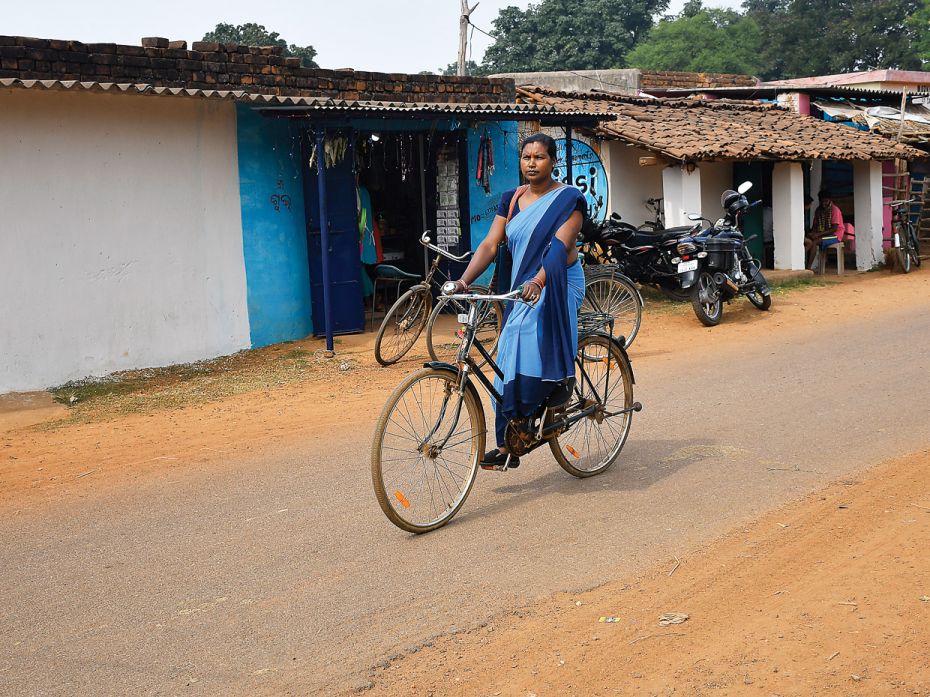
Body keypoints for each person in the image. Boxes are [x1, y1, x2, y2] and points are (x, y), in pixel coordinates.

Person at [449, 133, 587, 470]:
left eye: (539, 157)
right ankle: (511, 439)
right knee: (506, 351)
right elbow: (489, 245)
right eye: (526, 157)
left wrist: (538, 282)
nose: (532, 163)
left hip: (557, 281)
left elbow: (559, 248)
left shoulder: (569, 199)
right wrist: (463, 281)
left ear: (553, 161)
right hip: (522, 286)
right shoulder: (511, 200)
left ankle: (549, 392)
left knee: (522, 332)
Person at [805, 191, 845, 268]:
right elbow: (815, 225)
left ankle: (808, 267)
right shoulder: (818, 210)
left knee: (815, 242)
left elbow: (834, 229)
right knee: (809, 240)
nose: (823, 203)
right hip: (823, 234)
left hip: (835, 235)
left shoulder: (835, 210)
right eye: (821, 201)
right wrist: (812, 233)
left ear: (830, 200)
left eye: (825, 201)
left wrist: (817, 234)